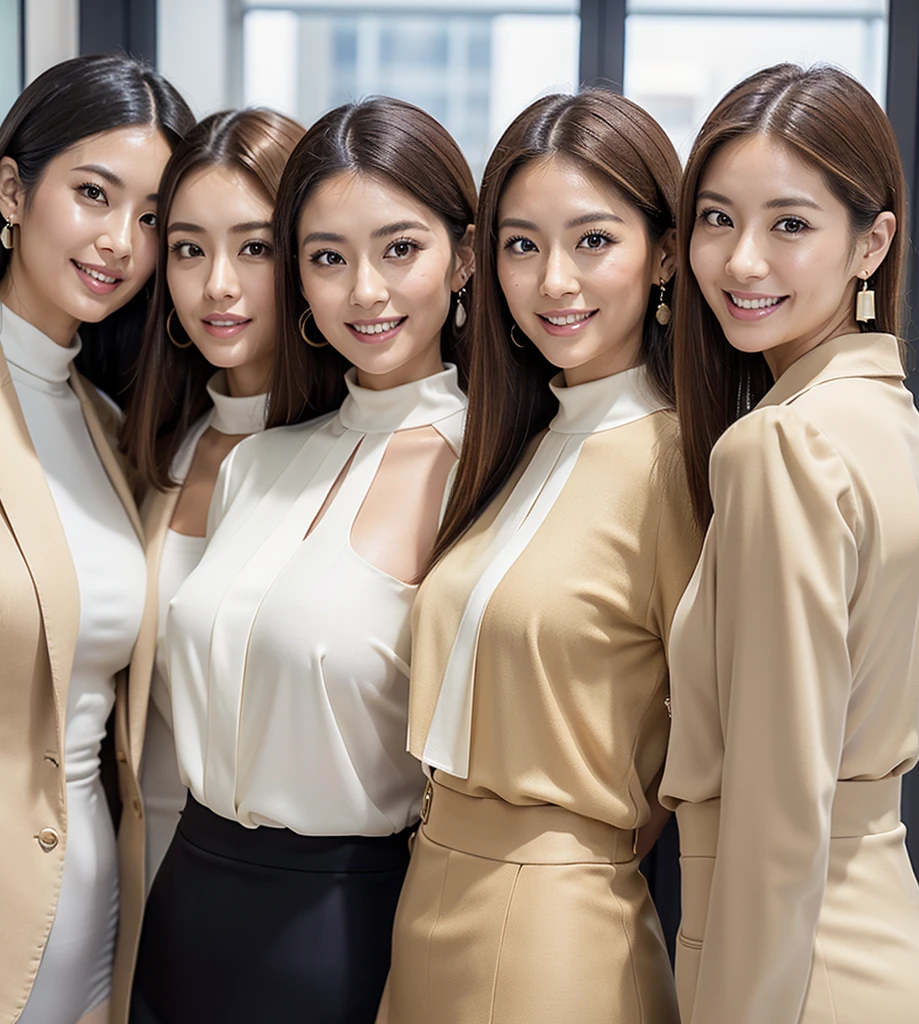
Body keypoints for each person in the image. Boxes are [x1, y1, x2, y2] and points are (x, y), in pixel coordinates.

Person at [130, 97, 476, 1024]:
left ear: (464, 258)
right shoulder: (260, 460)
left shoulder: (483, 467)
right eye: (329, 259)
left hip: (343, 922)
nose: (364, 291)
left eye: (400, 250)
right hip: (186, 906)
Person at [382, 89, 698, 1024]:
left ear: (665, 253)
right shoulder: (514, 442)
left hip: (556, 921)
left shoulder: (682, 463)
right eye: (522, 245)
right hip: (430, 885)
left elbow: (711, 739)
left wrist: (571, 849)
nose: (554, 279)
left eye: (593, 241)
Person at [0, 54, 192, 1024]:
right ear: (14, 189)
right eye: (94, 193)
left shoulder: (107, 420)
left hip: (97, 913)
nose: (121, 240)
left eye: (152, 216)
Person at [660, 63, 919, 1024]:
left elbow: (778, 816)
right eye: (718, 219)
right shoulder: (893, 423)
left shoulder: (779, 444)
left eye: (790, 224)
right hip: (877, 935)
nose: (740, 262)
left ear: (873, 242)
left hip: (792, 969)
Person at [120, 107, 304, 892]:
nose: (217, 285)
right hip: (141, 874)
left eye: (254, 247)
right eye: (189, 249)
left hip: (286, 891)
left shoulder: (375, 454)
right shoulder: (162, 444)